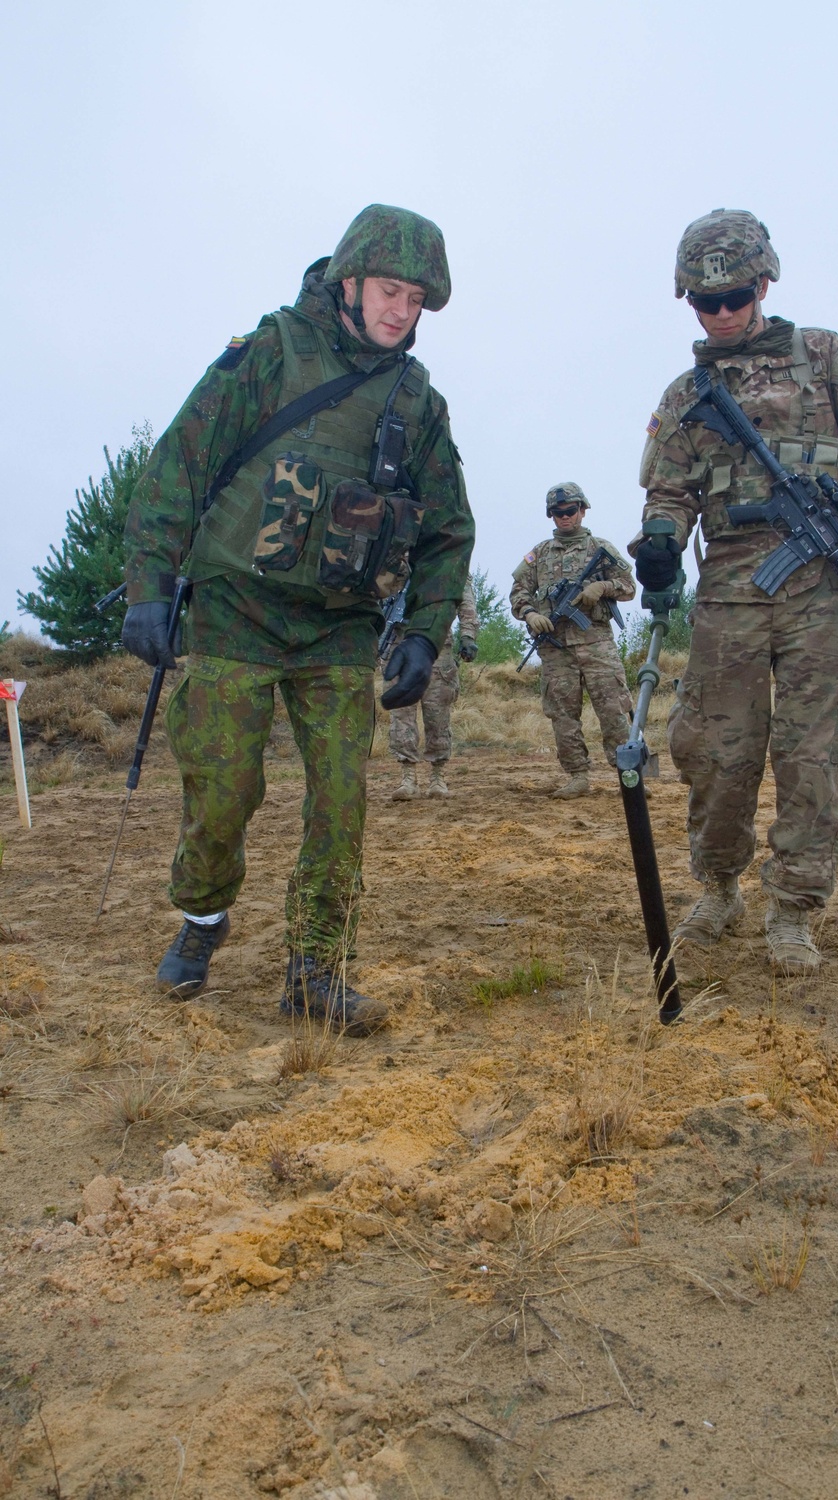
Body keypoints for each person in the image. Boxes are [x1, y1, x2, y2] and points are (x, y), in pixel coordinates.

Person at [122, 204, 475, 1030]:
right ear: (349, 280)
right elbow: (178, 466)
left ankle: (315, 967)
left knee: (341, 799)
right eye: (391, 290)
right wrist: (148, 584)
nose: (402, 311)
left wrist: (426, 629)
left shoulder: (417, 400)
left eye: (417, 300)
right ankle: (203, 918)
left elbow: (448, 527)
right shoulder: (271, 352)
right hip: (237, 612)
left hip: (339, 628)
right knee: (224, 789)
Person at [634, 208, 838, 972]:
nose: (724, 312)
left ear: (765, 282)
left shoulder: (825, 357)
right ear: (687, 300)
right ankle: (720, 886)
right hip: (730, 590)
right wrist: (660, 542)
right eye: (706, 300)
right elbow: (667, 488)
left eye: (736, 296)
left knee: (816, 753)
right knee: (718, 753)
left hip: (824, 590)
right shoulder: (687, 392)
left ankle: (793, 908)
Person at [510, 484, 635, 798]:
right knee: (563, 716)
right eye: (558, 512)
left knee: (615, 711)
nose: (564, 517)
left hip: (596, 642)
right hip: (555, 647)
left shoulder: (600, 547)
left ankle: (630, 776)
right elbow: (518, 593)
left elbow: (628, 586)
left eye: (570, 511)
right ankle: (578, 776)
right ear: (551, 515)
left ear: (582, 510)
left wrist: (602, 588)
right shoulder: (538, 554)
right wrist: (529, 614)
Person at [389, 575, 479, 799]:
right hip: (398, 646)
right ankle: (407, 777)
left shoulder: (448, 562)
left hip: (437, 648)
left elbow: (466, 602)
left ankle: (437, 777)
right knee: (401, 716)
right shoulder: (394, 560)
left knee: (437, 715)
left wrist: (468, 635)